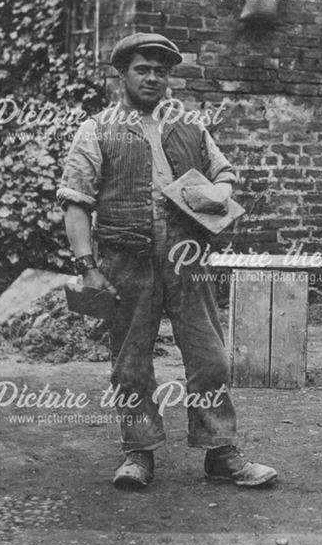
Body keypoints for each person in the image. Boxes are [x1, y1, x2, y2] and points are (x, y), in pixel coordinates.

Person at [58, 32, 277, 490]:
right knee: (131, 362)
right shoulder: (98, 128)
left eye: (161, 70)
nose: (153, 77)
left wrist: (220, 193)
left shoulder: (191, 125)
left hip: (187, 258)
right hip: (126, 259)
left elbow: (223, 174)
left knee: (210, 357)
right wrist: (87, 266)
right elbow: (76, 201)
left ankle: (220, 452)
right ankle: (138, 453)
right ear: (122, 74)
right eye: (143, 68)